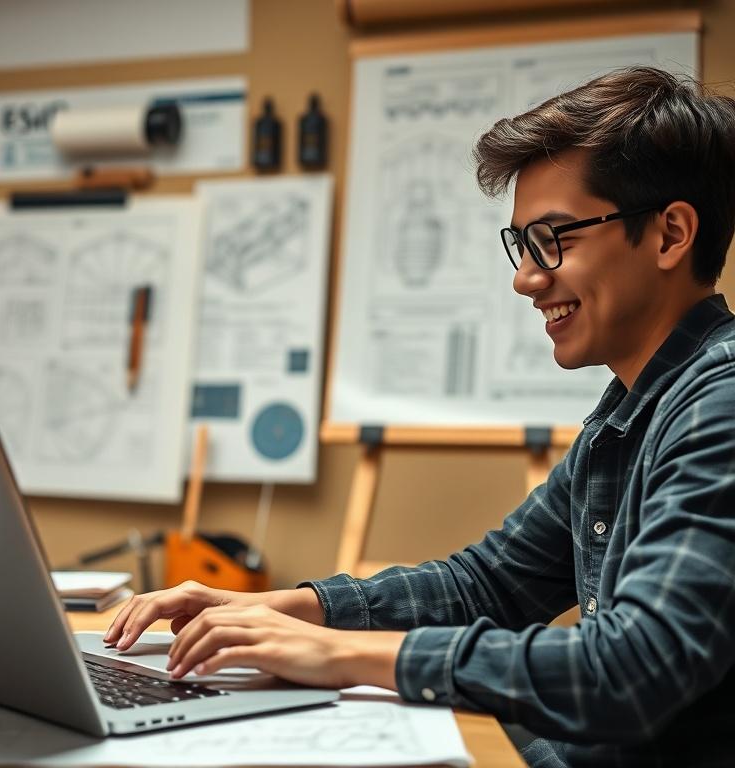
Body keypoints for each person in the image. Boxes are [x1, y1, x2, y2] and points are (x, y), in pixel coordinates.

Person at [103, 66, 735, 767]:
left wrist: (341, 654)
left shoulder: (720, 404)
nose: (527, 277)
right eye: (522, 246)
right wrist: (290, 609)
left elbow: (634, 668)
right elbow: (489, 584)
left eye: (555, 239)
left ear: (671, 234)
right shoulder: (630, 413)